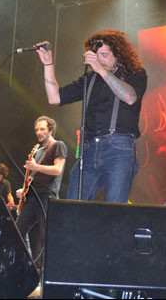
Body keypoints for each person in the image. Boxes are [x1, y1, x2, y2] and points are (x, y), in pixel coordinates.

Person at [36, 29, 147, 203]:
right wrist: (48, 64)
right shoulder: (89, 80)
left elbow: (130, 97)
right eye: (96, 56)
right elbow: (54, 97)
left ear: (118, 55)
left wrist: (101, 70)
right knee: (73, 206)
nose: (100, 60)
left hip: (118, 149)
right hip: (89, 150)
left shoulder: (135, 74)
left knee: (115, 208)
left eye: (104, 55)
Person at [15, 116, 66, 269]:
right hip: (32, 197)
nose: (38, 132)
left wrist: (36, 167)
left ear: (51, 130)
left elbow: (57, 169)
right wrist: (24, 190)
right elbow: (33, 177)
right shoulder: (38, 151)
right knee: (17, 231)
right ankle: (28, 268)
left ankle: (47, 274)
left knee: (46, 237)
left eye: (42, 129)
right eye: (37, 129)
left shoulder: (58, 145)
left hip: (46, 196)